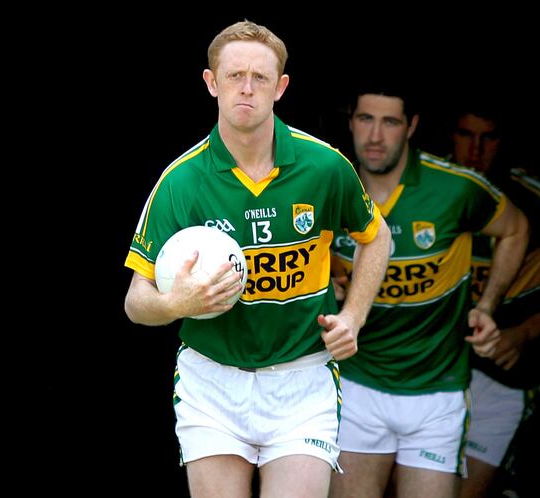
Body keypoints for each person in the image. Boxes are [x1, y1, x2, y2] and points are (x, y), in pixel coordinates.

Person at [123, 21, 391, 498]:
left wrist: (354, 315)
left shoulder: (325, 166)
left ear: (280, 87)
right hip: (211, 382)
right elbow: (135, 301)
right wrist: (175, 303)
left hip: (302, 377)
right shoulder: (180, 181)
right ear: (211, 82)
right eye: (234, 76)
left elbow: (378, 236)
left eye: (260, 78)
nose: (246, 88)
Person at [328, 79, 529, 498]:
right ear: (350, 122)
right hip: (358, 384)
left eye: (390, 122)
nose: (376, 136)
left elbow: (515, 228)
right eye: (366, 119)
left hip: (437, 393)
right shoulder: (329, 186)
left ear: (412, 126)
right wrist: (331, 279)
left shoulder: (455, 188)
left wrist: (488, 305)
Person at [450, 102, 540, 497]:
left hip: (507, 371)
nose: (476, 149)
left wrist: (527, 332)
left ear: (504, 141)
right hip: (438, 367)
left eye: (488, 137)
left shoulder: (532, 195)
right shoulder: (431, 186)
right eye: (466, 135)